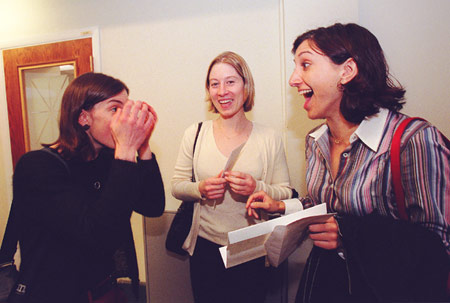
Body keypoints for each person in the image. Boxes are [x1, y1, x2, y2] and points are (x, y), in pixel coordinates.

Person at [247, 23, 449, 302]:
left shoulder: (413, 140)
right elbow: (330, 206)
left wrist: (351, 236)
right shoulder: (315, 142)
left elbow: (439, 244)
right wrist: (281, 206)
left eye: (305, 64)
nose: (294, 79)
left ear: (347, 71)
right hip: (329, 284)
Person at [2, 72, 165, 303]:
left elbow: (152, 205)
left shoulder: (108, 161)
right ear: (83, 118)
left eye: (127, 109)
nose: (125, 120)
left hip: (103, 291)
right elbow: (97, 234)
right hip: (55, 294)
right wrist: (126, 149)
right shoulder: (38, 166)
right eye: (115, 109)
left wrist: (143, 146)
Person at [171, 51, 295, 303]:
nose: (222, 91)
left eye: (231, 82)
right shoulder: (195, 133)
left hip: (250, 247)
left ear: (245, 86)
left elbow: (286, 191)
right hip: (204, 246)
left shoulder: (269, 138)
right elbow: (177, 186)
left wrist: (256, 187)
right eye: (214, 84)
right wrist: (201, 189)